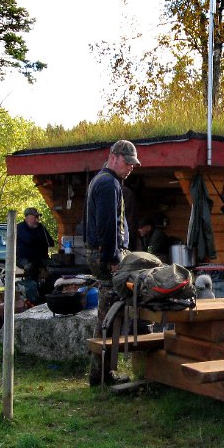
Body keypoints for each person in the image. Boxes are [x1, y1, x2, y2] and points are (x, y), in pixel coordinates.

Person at [84, 139, 140, 386]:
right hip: (106, 256)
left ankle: (99, 373)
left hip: (101, 254)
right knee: (109, 316)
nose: (131, 168)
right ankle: (102, 374)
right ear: (114, 157)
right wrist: (113, 259)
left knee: (106, 314)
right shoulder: (108, 183)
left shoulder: (102, 179)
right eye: (128, 162)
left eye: (133, 164)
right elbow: (107, 226)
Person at [15, 207, 55, 302]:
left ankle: (50, 293)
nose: (37, 218)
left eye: (38, 216)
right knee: (30, 267)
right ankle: (33, 296)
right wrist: (41, 239)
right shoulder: (20, 227)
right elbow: (29, 240)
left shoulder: (41, 227)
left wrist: (39, 239)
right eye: (35, 216)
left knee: (55, 268)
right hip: (24, 258)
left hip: (41, 258)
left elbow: (50, 242)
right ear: (27, 217)